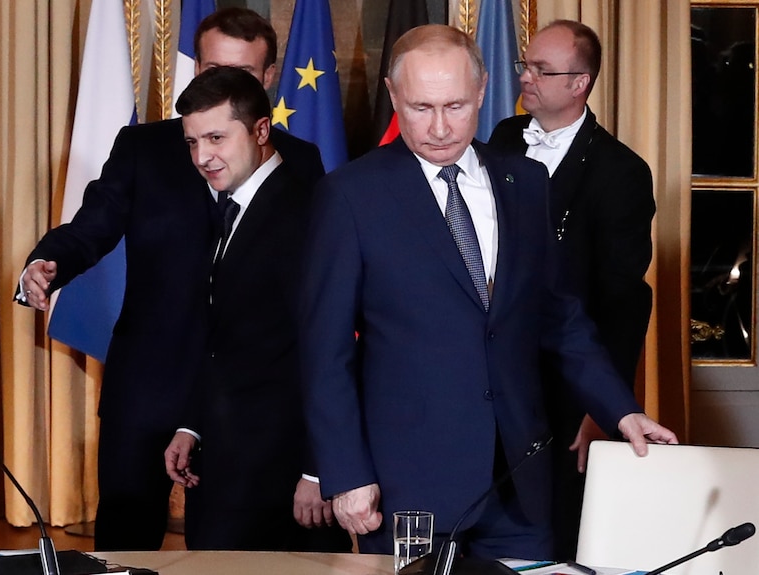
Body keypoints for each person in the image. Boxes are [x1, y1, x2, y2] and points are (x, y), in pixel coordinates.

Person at [298, 24, 677, 561]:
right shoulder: (350, 196)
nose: (437, 127)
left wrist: (620, 410)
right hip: (408, 486)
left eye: (454, 105)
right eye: (420, 107)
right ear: (392, 96)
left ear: (481, 92)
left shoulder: (524, 182)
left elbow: (560, 317)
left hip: (519, 481)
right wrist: (347, 473)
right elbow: (324, 351)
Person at [16, 7, 325, 551]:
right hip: (151, 386)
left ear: (270, 79)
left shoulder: (300, 161)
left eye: (244, 76)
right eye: (210, 72)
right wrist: (48, 263)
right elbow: (91, 228)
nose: (224, 84)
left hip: (243, 400)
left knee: (233, 547)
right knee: (126, 544)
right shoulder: (144, 148)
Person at [161, 66, 348, 552]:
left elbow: (330, 347)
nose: (202, 157)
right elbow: (227, 337)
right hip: (227, 464)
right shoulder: (237, 204)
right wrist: (192, 424)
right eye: (192, 142)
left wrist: (319, 467)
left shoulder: (305, 211)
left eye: (217, 138)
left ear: (261, 130)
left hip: (284, 477)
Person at [489, 20, 655, 559]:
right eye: (525, 64)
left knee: (553, 528)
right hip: (495, 373)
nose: (526, 76)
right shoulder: (504, 139)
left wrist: (602, 406)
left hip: (565, 385)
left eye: (542, 69)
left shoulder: (621, 172)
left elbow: (624, 302)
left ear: (580, 83)